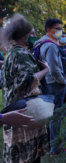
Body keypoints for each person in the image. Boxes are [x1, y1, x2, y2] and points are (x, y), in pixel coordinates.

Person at [1, 13, 50, 163]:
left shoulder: (11, 53)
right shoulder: (21, 54)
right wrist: (46, 70)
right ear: (23, 37)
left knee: (20, 154)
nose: (35, 36)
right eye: (32, 34)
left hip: (15, 108)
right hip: (25, 111)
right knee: (29, 155)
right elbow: (27, 83)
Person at [34, 18, 66, 156]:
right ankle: (56, 147)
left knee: (47, 116)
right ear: (48, 29)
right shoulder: (51, 46)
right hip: (54, 83)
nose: (60, 31)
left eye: (61, 29)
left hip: (44, 82)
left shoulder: (39, 44)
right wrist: (62, 80)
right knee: (56, 116)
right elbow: (54, 69)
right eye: (57, 29)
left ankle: (47, 145)